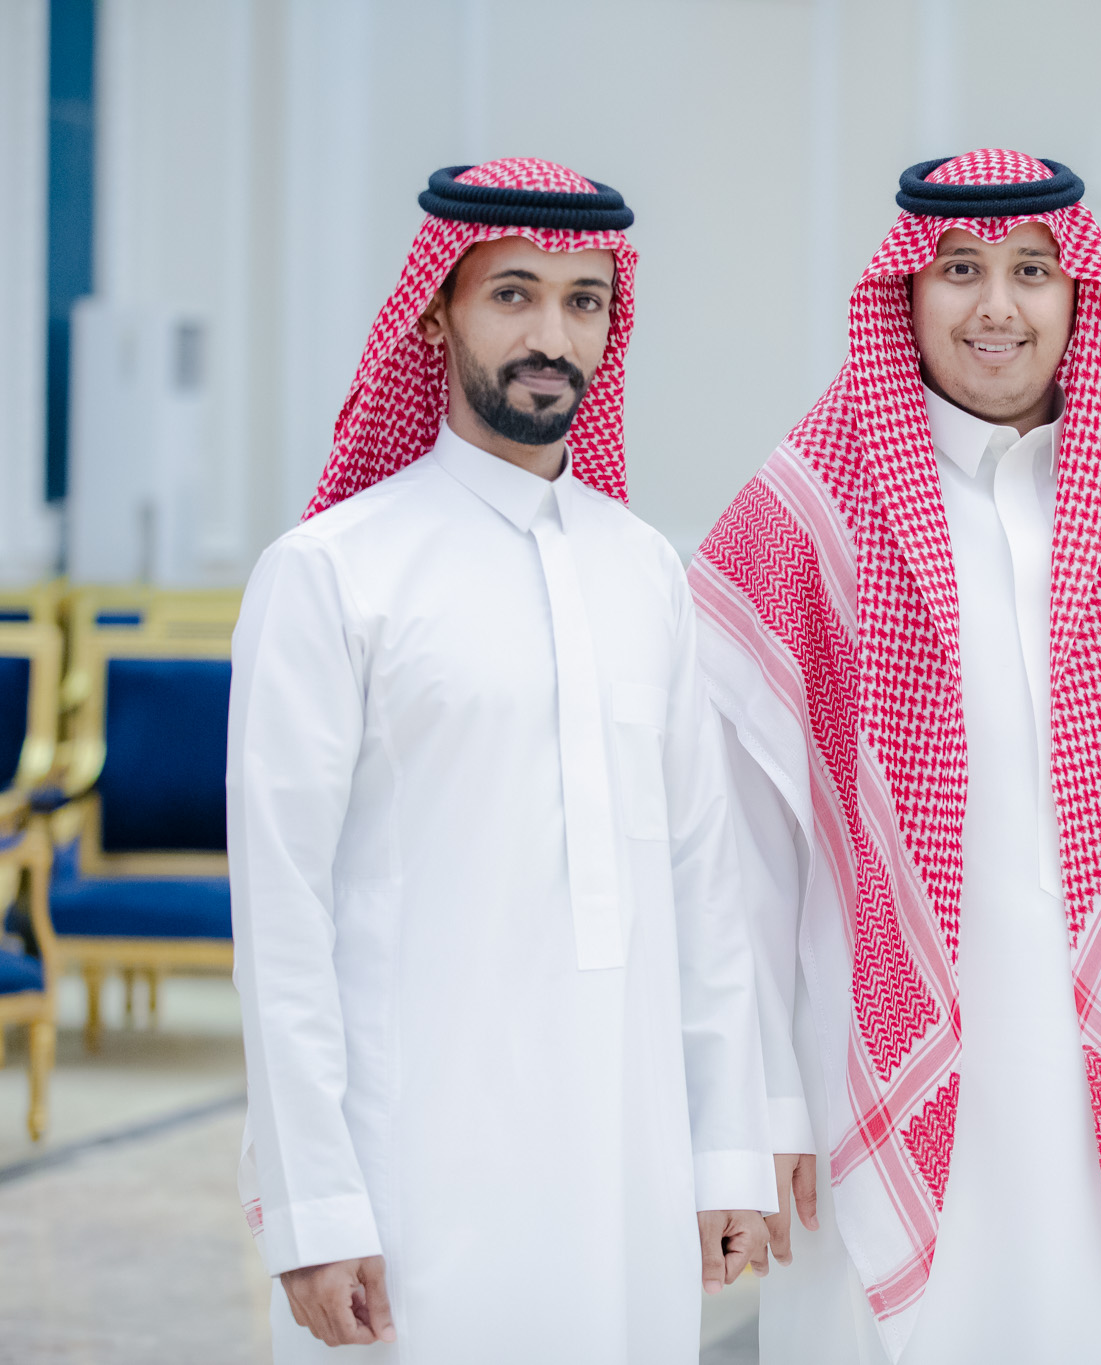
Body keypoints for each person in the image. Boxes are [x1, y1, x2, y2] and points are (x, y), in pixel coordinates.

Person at [690, 149, 1101, 1362]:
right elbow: (738, 846)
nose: (995, 305)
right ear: (905, 288)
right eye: (958, 269)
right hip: (862, 1069)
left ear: (1077, 295)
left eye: (1030, 272)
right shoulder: (806, 511)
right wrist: (764, 1100)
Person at [228, 158, 776, 1363]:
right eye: (513, 294)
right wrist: (315, 1208)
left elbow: (704, 889)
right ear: (437, 312)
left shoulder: (645, 570)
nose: (551, 336)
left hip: (627, 1165)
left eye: (584, 302)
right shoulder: (330, 573)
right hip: (413, 1177)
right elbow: (281, 921)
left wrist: (727, 1149)